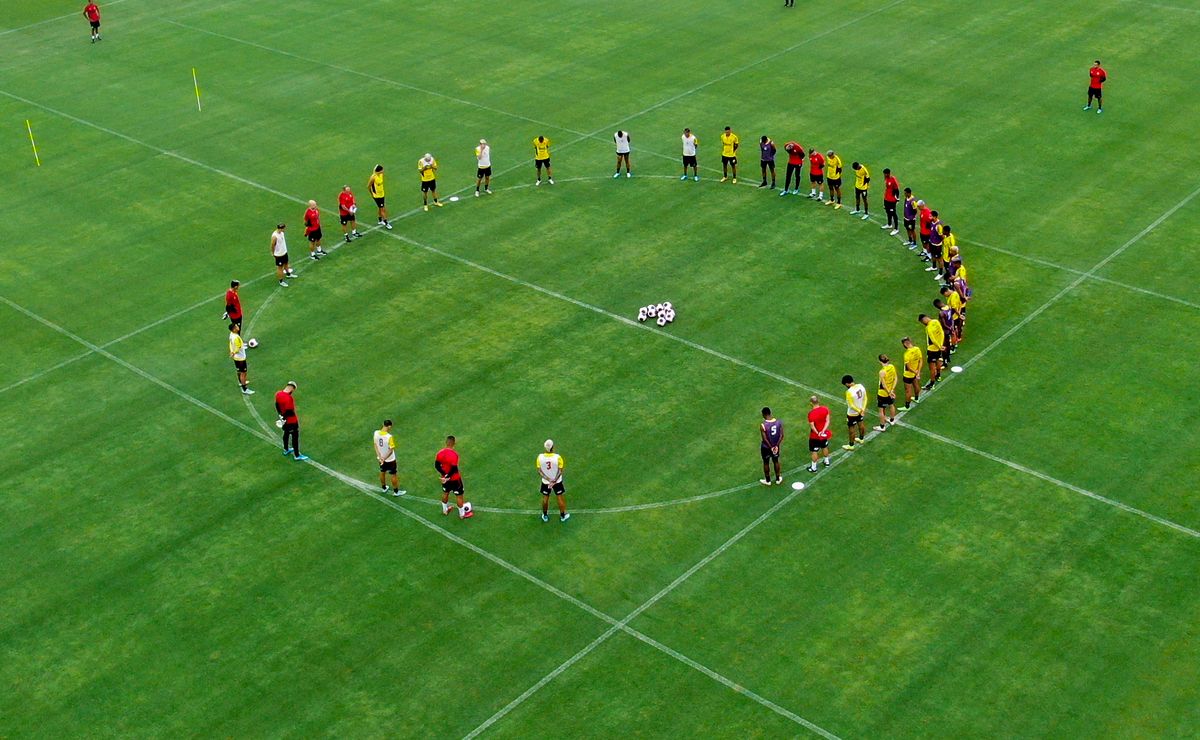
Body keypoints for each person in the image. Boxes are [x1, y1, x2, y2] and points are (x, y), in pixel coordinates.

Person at [435, 435, 472, 519]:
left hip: (445, 480)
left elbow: (437, 465)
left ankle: (445, 510)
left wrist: (444, 475)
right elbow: (454, 469)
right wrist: (448, 476)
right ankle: (462, 515)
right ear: (454, 443)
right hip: (455, 479)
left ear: (446, 443)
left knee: (445, 493)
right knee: (459, 496)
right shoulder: (454, 455)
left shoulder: (440, 453)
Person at [537, 439, 569, 522]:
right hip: (557, 481)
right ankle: (563, 516)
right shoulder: (558, 457)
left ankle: (545, 515)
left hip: (546, 482)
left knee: (545, 498)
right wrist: (554, 480)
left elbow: (539, 471)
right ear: (552, 447)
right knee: (560, 497)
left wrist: (548, 479)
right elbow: (560, 470)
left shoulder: (540, 457)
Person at [275, 381, 307, 460]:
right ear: (292, 388)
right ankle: (297, 455)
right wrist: (285, 418)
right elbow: (289, 411)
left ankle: (286, 449)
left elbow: (277, 405)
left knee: (286, 433)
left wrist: (281, 416)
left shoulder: (278, 394)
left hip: (284, 420)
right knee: (295, 437)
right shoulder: (289, 398)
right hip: (291, 421)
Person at [373, 419, 405, 496]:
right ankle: (396, 492)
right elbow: (391, 450)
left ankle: (384, 488)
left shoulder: (376, 433)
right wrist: (384, 458)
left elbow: (375, 445)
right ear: (389, 426)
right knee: (393, 474)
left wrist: (380, 457)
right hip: (390, 459)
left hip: (380, 458)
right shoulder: (389, 437)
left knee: (382, 471)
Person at [806, 395, 832, 472]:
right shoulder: (825, 409)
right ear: (818, 401)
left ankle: (813, 468)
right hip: (823, 434)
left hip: (815, 436)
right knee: (824, 446)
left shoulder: (811, 413)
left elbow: (812, 426)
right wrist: (823, 431)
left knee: (814, 451)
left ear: (811, 403)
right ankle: (826, 461)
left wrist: (818, 433)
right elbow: (827, 421)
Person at [759, 407, 784, 485]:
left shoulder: (763, 425)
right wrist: (776, 446)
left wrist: (771, 447)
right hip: (776, 446)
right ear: (770, 413)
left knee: (766, 462)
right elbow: (781, 435)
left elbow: (765, 439)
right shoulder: (779, 422)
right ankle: (778, 479)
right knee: (776, 461)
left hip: (766, 447)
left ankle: (768, 480)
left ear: (763, 414)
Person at [842, 375, 867, 450]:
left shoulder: (849, 392)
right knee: (861, 423)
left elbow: (851, 405)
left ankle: (851, 445)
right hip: (860, 409)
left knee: (851, 428)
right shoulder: (861, 386)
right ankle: (861, 439)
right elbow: (865, 398)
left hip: (852, 413)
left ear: (847, 384)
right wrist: (863, 409)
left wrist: (859, 411)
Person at [919, 314, 945, 390]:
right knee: (938, 361)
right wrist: (941, 345)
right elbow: (942, 333)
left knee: (932, 368)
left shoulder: (928, 327)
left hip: (932, 349)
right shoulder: (936, 321)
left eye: (922, 322)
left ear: (924, 319)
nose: (923, 323)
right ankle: (938, 376)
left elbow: (932, 340)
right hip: (939, 347)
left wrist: (939, 346)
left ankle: (932, 384)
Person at [228, 323, 253, 395]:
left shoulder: (231, 335)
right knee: (243, 373)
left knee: (239, 371)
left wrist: (231, 351)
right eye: (236, 326)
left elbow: (230, 343)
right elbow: (238, 348)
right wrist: (234, 352)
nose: (238, 327)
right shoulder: (236, 337)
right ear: (234, 329)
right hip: (241, 358)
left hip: (236, 358)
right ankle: (244, 389)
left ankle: (241, 382)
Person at [875, 355, 897, 431]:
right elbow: (895, 378)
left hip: (883, 393)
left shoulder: (882, 372)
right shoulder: (892, 367)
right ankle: (892, 420)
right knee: (891, 405)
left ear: (880, 361)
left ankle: (882, 426)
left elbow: (883, 385)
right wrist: (892, 390)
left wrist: (889, 392)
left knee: (881, 410)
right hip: (890, 390)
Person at [269, 223, 295, 287]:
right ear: (281, 228)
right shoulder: (274, 236)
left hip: (284, 252)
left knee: (286, 263)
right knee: (280, 268)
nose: (285, 230)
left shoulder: (282, 233)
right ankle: (281, 281)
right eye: (284, 228)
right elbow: (272, 245)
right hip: (279, 255)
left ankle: (288, 274)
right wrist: (273, 253)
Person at [367, 165, 392, 230]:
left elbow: (375, 167)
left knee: (380, 208)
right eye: (382, 170)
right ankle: (386, 222)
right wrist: (372, 194)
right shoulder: (373, 177)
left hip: (382, 194)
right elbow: (368, 186)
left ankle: (380, 220)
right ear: (379, 170)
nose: (383, 171)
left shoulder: (380, 175)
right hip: (377, 196)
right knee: (383, 209)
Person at [901, 337, 923, 408]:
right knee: (916, 386)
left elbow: (908, 367)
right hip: (915, 373)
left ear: (905, 344)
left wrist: (916, 372)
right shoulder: (917, 349)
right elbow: (921, 361)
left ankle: (907, 406)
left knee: (908, 391)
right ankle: (916, 398)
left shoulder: (906, 354)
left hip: (908, 375)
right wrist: (918, 372)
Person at [940, 286, 964, 354]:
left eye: (944, 294)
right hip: (956, 314)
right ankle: (957, 339)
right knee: (955, 329)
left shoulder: (952, 297)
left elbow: (954, 308)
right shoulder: (955, 293)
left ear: (946, 291)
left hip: (953, 317)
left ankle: (953, 346)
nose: (945, 296)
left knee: (952, 332)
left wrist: (959, 315)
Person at [933, 299, 955, 371]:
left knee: (944, 346)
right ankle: (948, 358)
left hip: (944, 332)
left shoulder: (941, 313)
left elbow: (944, 324)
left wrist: (949, 328)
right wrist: (951, 328)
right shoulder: (948, 307)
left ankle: (945, 362)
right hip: (949, 329)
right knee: (948, 344)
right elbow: (951, 318)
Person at [882, 168, 900, 235]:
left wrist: (897, 199)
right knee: (887, 211)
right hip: (886, 198)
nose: (884, 175)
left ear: (888, 173)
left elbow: (897, 190)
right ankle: (889, 224)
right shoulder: (886, 179)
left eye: (885, 174)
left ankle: (896, 228)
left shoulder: (893, 180)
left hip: (892, 200)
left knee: (893, 213)